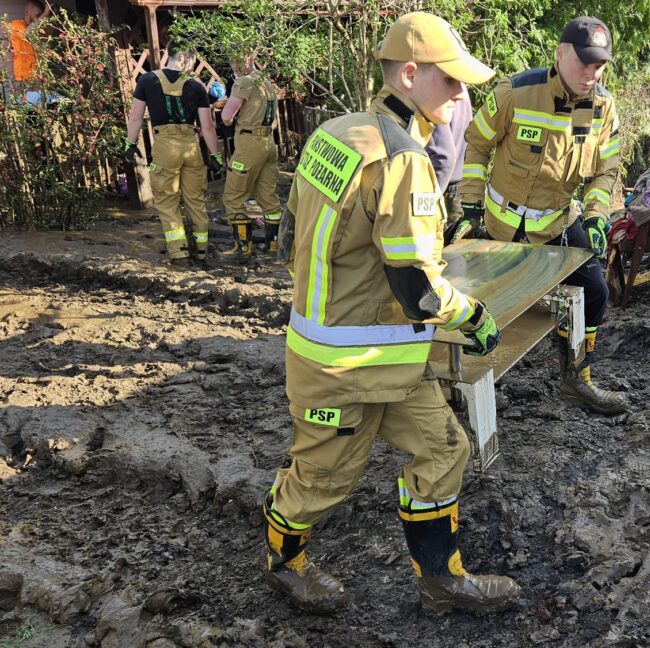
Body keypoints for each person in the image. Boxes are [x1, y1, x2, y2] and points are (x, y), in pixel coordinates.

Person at [262, 12, 520, 615]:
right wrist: (475, 319)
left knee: (444, 449)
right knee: (322, 480)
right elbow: (421, 293)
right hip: (344, 367)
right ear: (409, 74)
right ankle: (283, 564)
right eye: (450, 81)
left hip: (380, 357)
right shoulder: (405, 159)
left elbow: (290, 237)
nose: (461, 95)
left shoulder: (337, 132)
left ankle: (441, 579)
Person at [455, 16, 627, 414]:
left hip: (559, 223)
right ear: (560, 54)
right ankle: (464, 383)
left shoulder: (601, 106)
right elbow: (477, 144)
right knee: (485, 303)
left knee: (595, 293)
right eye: (585, 62)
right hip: (501, 225)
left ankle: (576, 378)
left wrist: (598, 213)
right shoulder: (515, 92)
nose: (592, 73)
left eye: (600, 65)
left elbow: (606, 169)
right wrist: (469, 204)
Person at [124, 45, 223, 267]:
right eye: (193, 62)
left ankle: (179, 254)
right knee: (195, 200)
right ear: (187, 59)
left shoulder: (147, 81)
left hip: (165, 146)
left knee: (168, 201)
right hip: (191, 147)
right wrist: (216, 156)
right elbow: (207, 127)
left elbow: (136, 118)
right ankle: (201, 251)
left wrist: (129, 144)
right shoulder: (196, 87)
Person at [219, 54, 282, 262]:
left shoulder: (244, 81)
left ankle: (242, 248)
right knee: (268, 198)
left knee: (233, 197)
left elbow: (227, 116)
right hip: (268, 144)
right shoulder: (265, 81)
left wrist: (227, 117)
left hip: (249, 145)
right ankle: (274, 246)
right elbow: (274, 119)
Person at [425, 95, 473, 241]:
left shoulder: (436, 92)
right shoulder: (459, 89)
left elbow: (444, 158)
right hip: (460, 185)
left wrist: (428, 202)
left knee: (445, 253)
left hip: (446, 188)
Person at [4, 0, 50, 87]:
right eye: (37, 15)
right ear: (27, 11)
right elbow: (27, 34)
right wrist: (45, 14)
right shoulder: (16, 24)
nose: (39, 18)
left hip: (38, 77)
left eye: (40, 16)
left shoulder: (38, 28)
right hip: (24, 79)